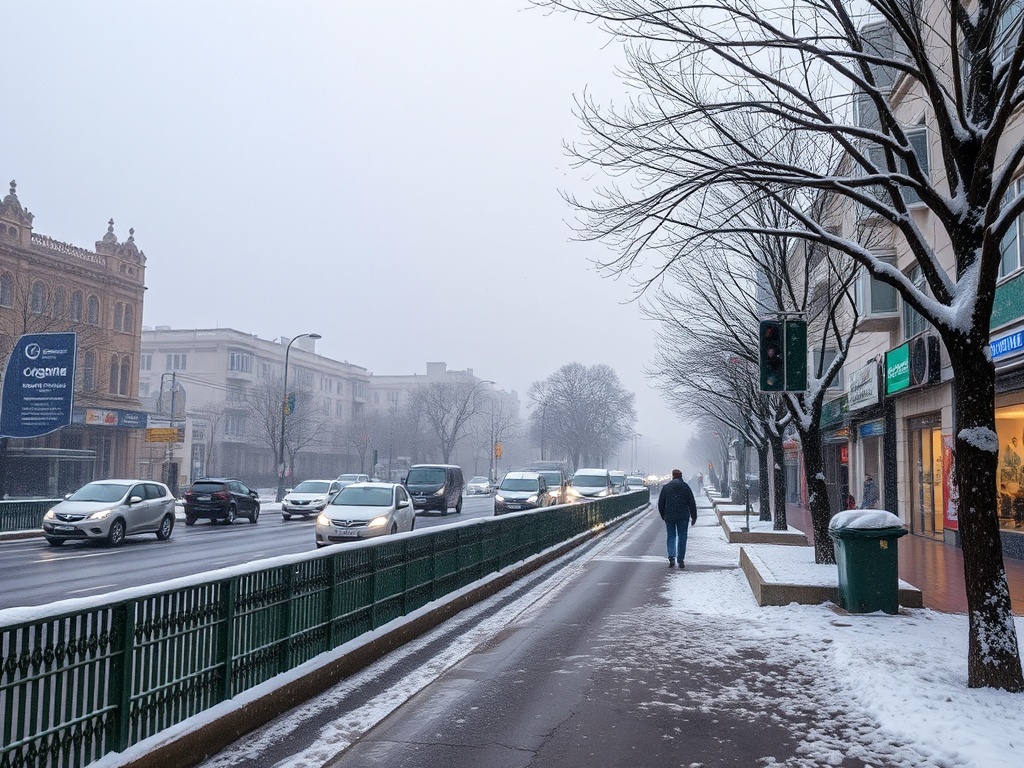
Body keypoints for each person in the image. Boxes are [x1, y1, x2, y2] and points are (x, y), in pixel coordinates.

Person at [658, 468, 698, 569]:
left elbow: (661, 503)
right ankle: (681, 559)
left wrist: (663, 514)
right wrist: (694, 516)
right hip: (683, 516)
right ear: (681, 476)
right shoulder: (685, 487)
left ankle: (671, 557)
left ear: (672, 476)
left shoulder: (666, 487)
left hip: (670, 516)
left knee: (671, 536)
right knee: (682, 536)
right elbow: (691, 502)